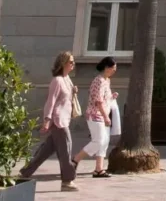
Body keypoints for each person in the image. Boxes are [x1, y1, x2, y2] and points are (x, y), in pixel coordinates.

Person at [19, 52, 80, 192]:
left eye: (73, 62)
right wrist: (47, 120)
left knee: (45, 151)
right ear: (63, 63)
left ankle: (25, 173)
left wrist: (73, 91)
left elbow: (65, 97)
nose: (73, 64)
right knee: (66, 150)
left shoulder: (67, 79)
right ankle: (67, 181)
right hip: (59, 121)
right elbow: (50, 102)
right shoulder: (57, 81)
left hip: (65, 119)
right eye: (71, 62)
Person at [73, 56, 120, 178]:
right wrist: (106, 117)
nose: (114, 71)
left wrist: (112, 97)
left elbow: (104, 98)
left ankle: (99, 169)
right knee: (98, 141)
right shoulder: (98, 80)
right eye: (113, 68)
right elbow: (98, 101)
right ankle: (75, 160)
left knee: (104, 142)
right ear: (106, 68)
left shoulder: (106, 80)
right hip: (95, 115)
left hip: (102, 114)